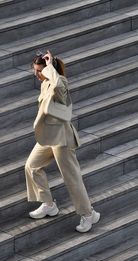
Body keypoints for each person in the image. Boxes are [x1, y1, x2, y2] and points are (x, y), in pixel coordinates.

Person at [25, 50, 100, 233]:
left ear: (49, 69)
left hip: (62, 138)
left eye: (39, 71)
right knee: (31, 166)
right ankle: (49, 204)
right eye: (34, 71)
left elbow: (57, 84)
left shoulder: (60, 83)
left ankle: (89, 214)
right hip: (48, 136)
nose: (36, 74)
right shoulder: (45, 84)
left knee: (71, 178)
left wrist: (50, 67)